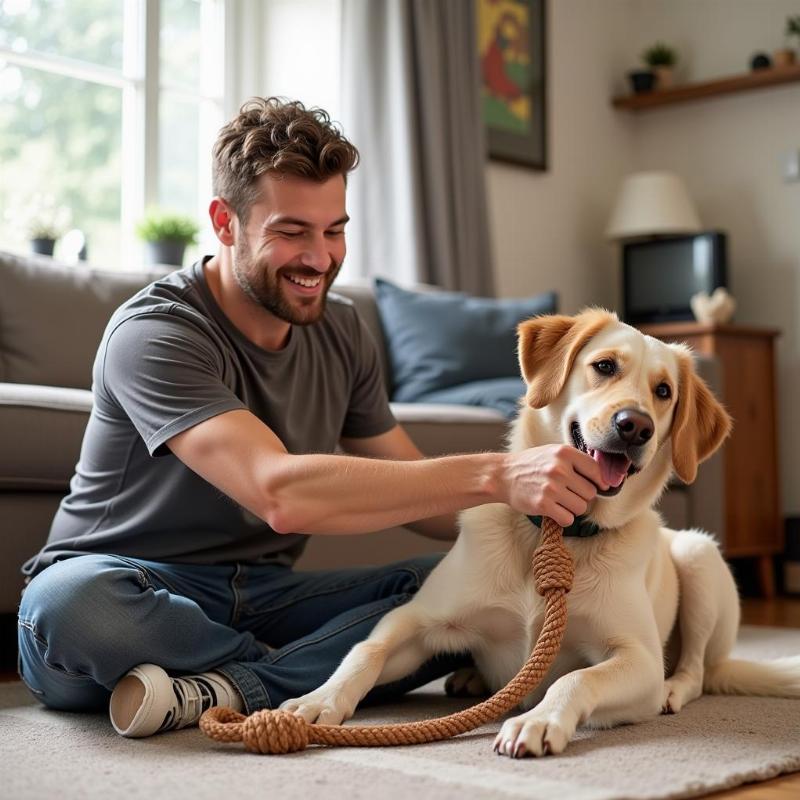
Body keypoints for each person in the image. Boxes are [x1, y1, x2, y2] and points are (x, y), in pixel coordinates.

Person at [17, 97, 607, 739]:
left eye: (334, 231)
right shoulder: (156, 333)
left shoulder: (343, 329)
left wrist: (547, 511)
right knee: (69, 607)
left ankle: (217, 686)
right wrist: (498, 473)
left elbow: (423, 494)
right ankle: (286, 677)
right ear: (224, 221)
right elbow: (280, 493)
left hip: (267, 596)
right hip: (130, 589)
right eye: (291, 232)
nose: (320, 259)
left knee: (458, 584)